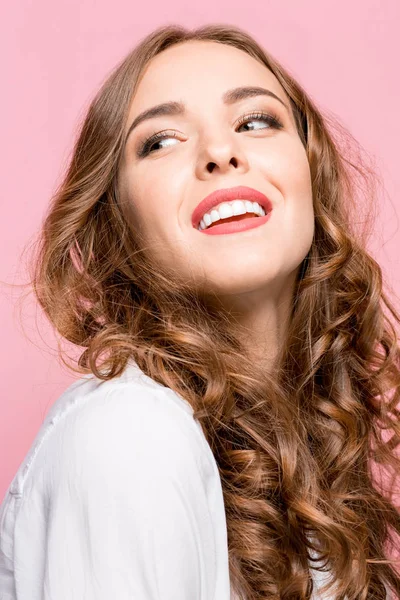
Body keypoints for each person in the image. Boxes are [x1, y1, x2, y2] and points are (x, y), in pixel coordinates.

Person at [1, 22, 399, 600]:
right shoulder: (130, 435)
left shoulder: (303, 459)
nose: (219, 152)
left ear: (310, 173)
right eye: (160, 140)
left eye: (256, 121)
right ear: (117, 224)